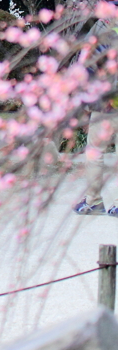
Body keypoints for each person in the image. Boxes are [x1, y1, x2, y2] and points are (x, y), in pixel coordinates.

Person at [73, 17, 118, 215]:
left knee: (95, 151)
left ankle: (93, 201)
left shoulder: (104, 22)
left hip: (105, 101)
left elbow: (87, 60)